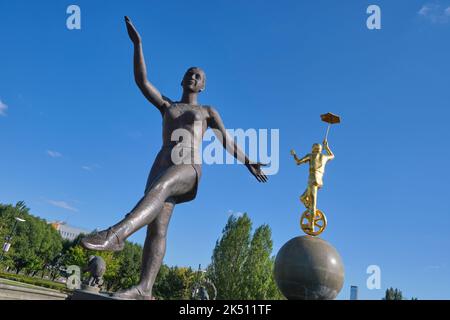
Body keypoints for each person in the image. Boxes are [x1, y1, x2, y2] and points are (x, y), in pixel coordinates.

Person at [81, 16, 267, 300]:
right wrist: (138, 44)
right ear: (182, 79)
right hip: (161, 164)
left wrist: (247, 160)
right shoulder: (167, 105)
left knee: (161, 189)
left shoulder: (207, 112)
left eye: (199, 76)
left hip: (188, 167)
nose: (193, 77)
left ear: (202, 86)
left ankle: (116, 234)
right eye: (190, 73)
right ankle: (144, 289)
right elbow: (142, 81)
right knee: (157, 228)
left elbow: (227, 140)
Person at [290, 139, 334, 231]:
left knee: (313, 203)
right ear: (320, 149)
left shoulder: (310, 155)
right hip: (319, 181)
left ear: (313, 149)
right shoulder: (325, 157)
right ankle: (310, 209)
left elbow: (298, 162)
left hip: (312, 180)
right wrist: (327, 147)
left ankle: (311, 225)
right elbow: (332, 156)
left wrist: (294, 154)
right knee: (302, 197)